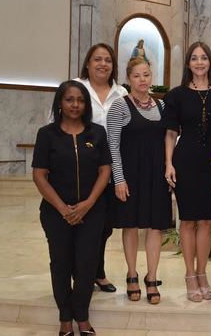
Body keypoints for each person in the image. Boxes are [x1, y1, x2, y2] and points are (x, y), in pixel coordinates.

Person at [32, 81, 112, 336]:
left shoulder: (97, 133)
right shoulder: (47, 135)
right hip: (56, 214)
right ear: (60, 103)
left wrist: (87, 205)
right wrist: (64, 209)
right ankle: (65, 318)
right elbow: (39, 176)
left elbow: (105, 171)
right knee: (61, 264)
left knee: (87, 265)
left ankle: (83, 316)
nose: (75, 105)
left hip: (92, 212)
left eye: (80, 100)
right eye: (69, 99)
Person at [107, 57, 171, 305]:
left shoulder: (163, 106)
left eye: (146, 74)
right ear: (128, 78)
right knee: (130, 225)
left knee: (156, 227)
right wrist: (119, 180)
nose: (142, 80)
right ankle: (132, 273)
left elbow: (170, 140)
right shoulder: (119, 107)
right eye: (137, 75)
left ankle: (152, 277)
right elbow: (113, 146)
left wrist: (169, 168)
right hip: (130, 176)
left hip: (156, 176)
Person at [164, 42, 211, 302]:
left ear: (210, 62)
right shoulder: (176, 95)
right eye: (194, 58)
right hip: (185, 160)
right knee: (187, 220)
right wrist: (168, 163)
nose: (199, 63)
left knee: (207, 221)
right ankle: (189, 275)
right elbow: (170, 133)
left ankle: (202, 273)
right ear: (188, 63)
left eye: (204, 58)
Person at [75, 43, 128, 294]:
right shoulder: (76, 88)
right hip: (82, 167)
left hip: (112, 168)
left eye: (108, 60)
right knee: (81, 223)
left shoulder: (122, 93)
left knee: (104, 226)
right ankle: (81, 274)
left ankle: (98, 272)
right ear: (88, 63)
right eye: (97, 59)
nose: (103, 64)